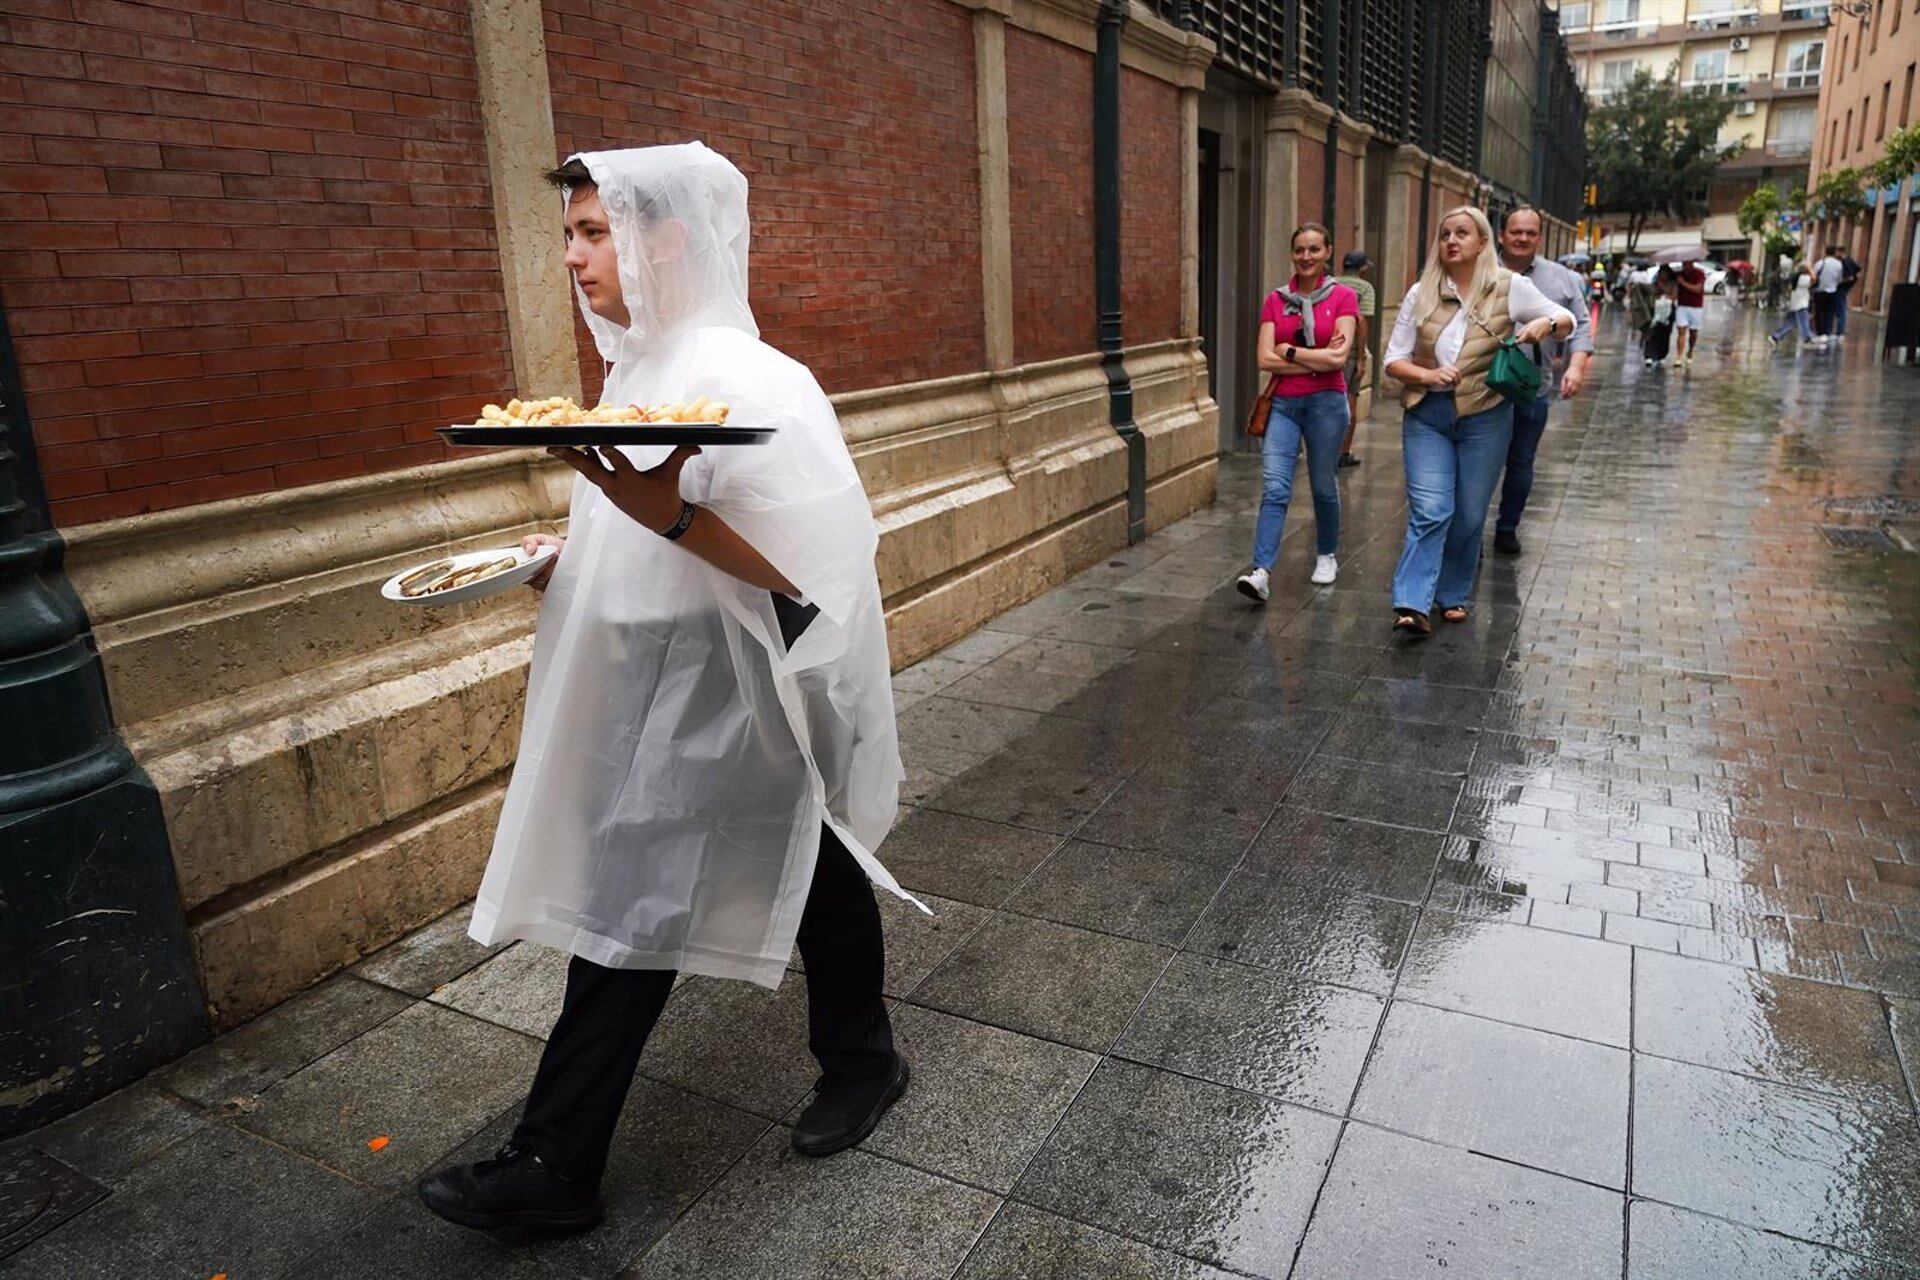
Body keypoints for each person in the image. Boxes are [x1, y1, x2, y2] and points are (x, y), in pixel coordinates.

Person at [417, 143, 916, 1235]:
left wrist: (667, 519)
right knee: (801, 860)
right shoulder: (634, 373)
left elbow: (810, 568)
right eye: (571, 234)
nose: (573, 258)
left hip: (731, 691)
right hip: (659, 689)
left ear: (666, 239)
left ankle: (556, 1159)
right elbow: (639, 523)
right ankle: (862, 1059)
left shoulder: (758, 381)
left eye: (594, 232)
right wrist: (569, 554)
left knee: (646, 900)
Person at [1381, 206, 1573, 636]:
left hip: (1486, 416)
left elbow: (1568, 321)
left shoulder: (1511, 288)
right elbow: (1393, 360)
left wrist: (1545, 322)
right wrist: (1427, 375)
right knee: (1431, 509)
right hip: (1428, 413)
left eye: (1462, 233)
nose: (1451, 240)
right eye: (1445, 233)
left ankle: (1451, 593)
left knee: (1468, 514)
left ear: (1483, 242)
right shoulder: (1421, 292)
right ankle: (1411, 603)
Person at [1235, 223, 1358, 602]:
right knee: (1275, 487)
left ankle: (1326, 555)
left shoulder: (1343, 298)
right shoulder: (1276, 299)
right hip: (1284, 405)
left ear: (1327, 252)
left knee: (1323, 485)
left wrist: (1288, 351)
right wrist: (1316, 360)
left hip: (1327, 405)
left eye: (1314, 249)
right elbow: (1261, 358)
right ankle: (1260, 571)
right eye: (1300, 250)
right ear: (1292, 254)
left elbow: (1338, 359)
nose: (1306, 257)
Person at [1492, 207, 1593, 557]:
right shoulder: (1479, 270)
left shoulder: (1562, 278)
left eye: (1530, 233)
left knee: (1520, 461)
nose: (1522, 238)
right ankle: (1468, 533)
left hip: (1530, 390)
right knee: (1476, 463)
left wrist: (1576, 368)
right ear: (1502, 234)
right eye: (1516, 231)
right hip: (1479, 388)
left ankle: (1507, 528)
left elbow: (1580, 327)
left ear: (1539, 237)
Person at [1334, 248, 1375, 468]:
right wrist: (1361, 358)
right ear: (1363, 268)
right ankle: (1343, 453)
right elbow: (1362, 323)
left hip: (1327, 352)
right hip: (1349, 355)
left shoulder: (1330, 283)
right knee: (1350, 402)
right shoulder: (1364, 288)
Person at [1767, 261, 1814, 350]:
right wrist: (1810, 268)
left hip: (1795, 303)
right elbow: (1814, 279)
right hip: (1801, 304)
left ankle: (1775, 336)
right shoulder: (1803, 278)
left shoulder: (1796, 278)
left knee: (1790, 323)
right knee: (1804, 321)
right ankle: (1807, 338)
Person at [1672, 257, 1707, 366]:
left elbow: (1698, 289)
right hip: (1682, 306)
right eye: (1683, 262)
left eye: (1687, 262)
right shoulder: (1679, 274)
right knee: (1681, 331)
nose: (1685, 264)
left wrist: (1683, 283)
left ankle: (1690, 351)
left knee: (1693, 332)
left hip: (1696, 307)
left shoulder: (1699, 274)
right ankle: (1679, 356)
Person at [1643, 267, 1677, 368]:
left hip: (1668, 310)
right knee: (1652, 332)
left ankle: (1661, 355)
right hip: (1656, 309)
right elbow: (1651, 294)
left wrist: (1663, 288)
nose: (1662, 275)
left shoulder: (1673, 284)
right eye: (1661, 273)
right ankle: (1649, 355)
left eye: (1664, 273)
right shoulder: (1655, 282)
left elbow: (1673, 296)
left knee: (1665, 333)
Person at [1812, 244, 1844, 345]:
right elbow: (1840, 279)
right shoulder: (1839, 264)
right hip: (1832, 291)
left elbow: (1813, 276)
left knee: (1819, 311)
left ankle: (1819, 332)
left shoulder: (1820, 263)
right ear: (1834, 253)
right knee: (1829, 312)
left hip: (1820, 291)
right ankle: (1827, 332)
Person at [1834, 247, 1863, 342]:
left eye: (1837, 253)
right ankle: (1839, 331)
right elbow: (1859, 272)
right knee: (1840, 309)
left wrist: (1840, 281)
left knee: (1841, 310)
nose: (1836, 255)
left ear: (1841, 252)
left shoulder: (1845, 262)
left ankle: (1840, 332)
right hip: (1845, 288)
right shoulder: (1850, 260)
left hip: (1842, 289)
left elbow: (1850, 277)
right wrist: (1853, 283)